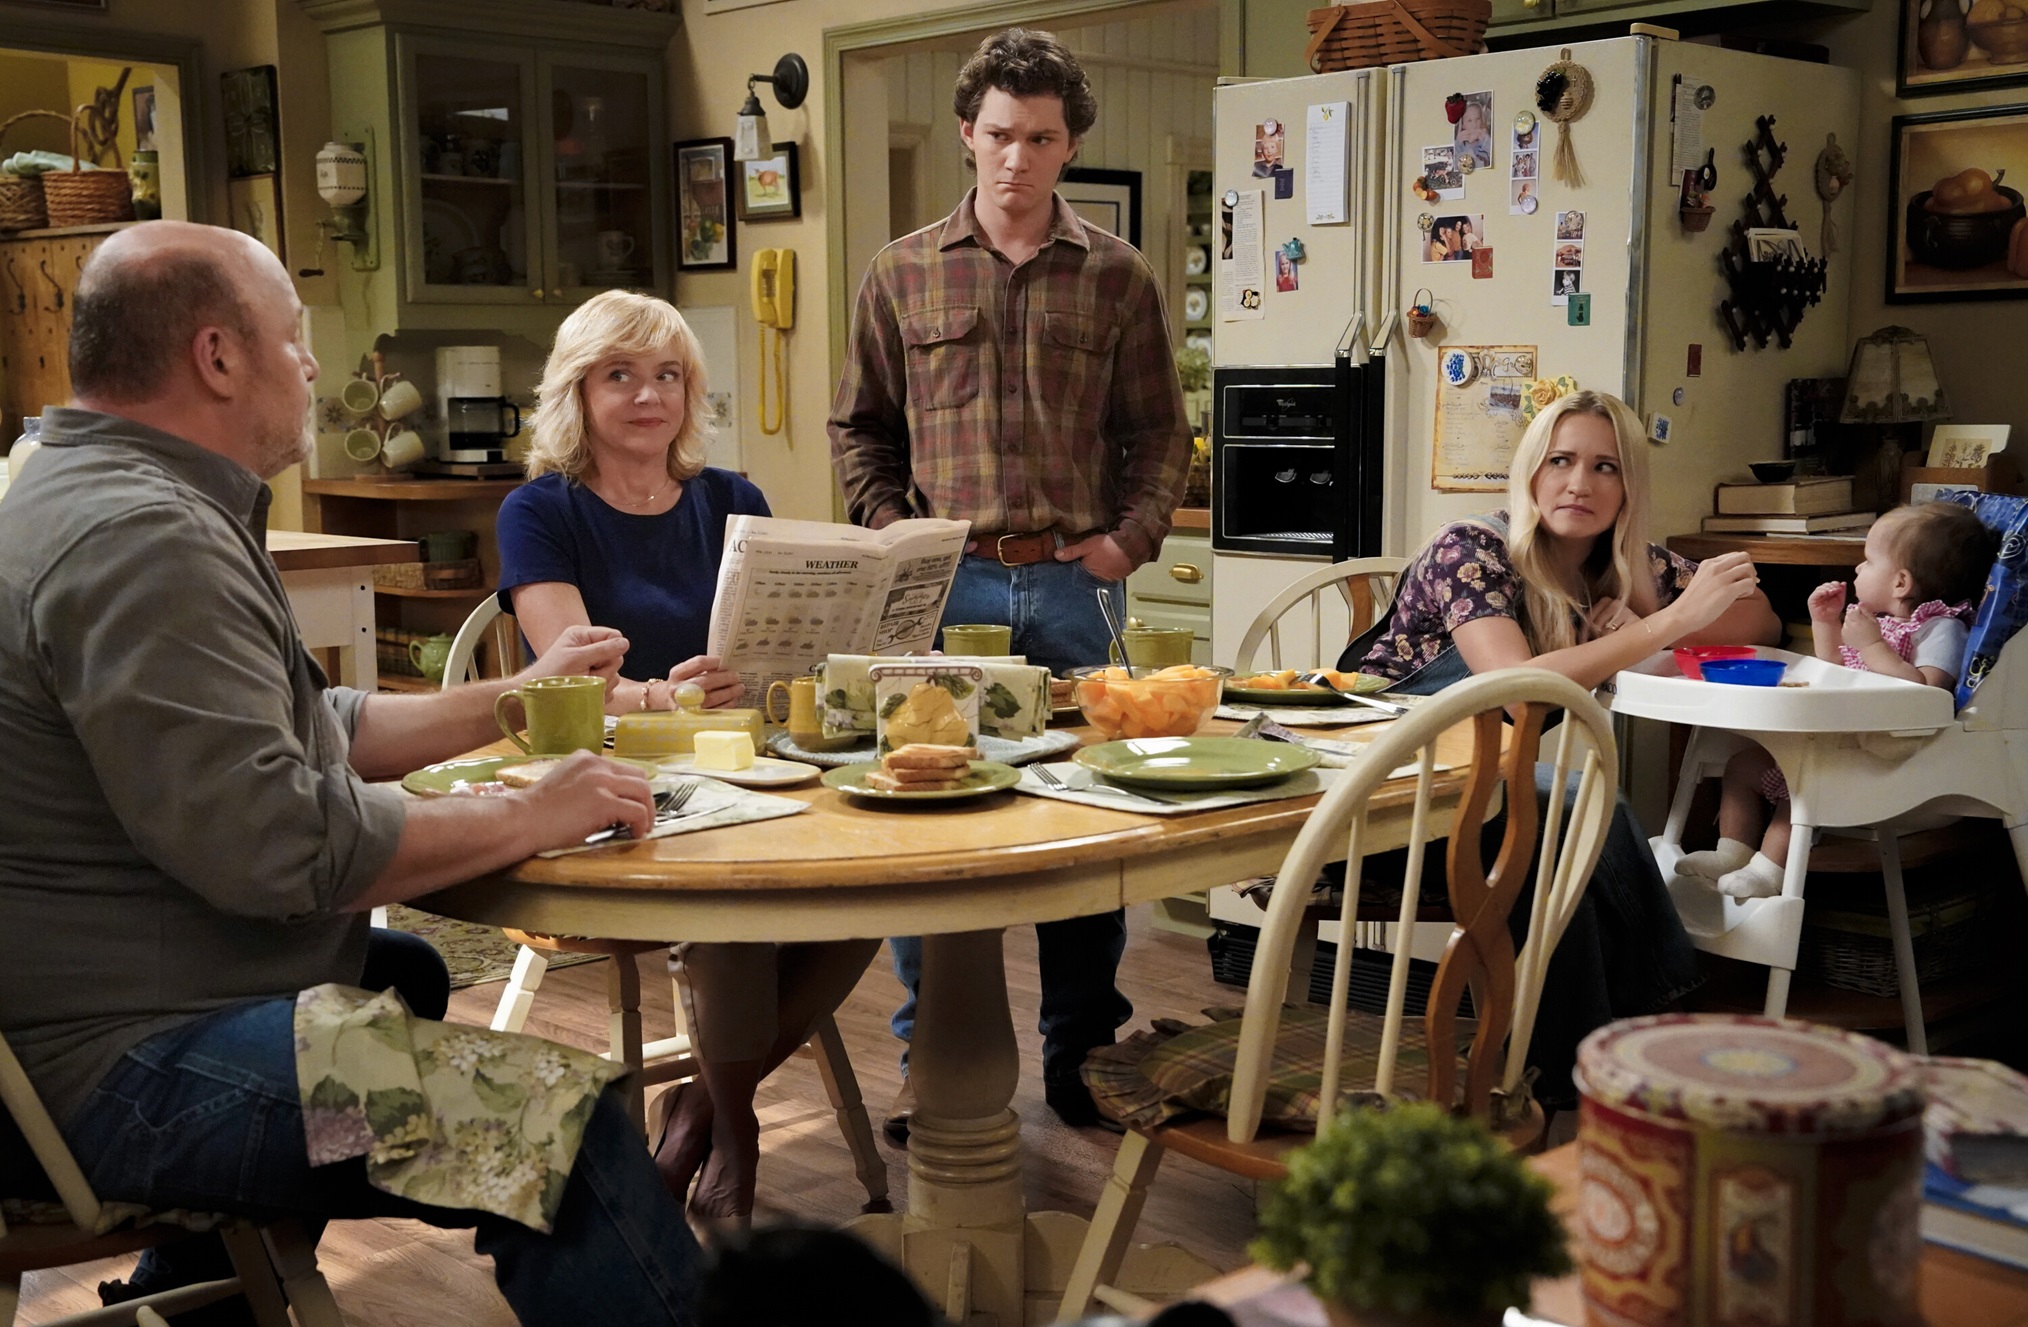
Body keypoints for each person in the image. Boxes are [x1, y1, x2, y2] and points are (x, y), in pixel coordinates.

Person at [0, 221, 704, 1324]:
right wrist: (533, 810)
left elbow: (308, 722)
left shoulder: (92, 491)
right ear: (217, 356)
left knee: (400, 972)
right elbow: (287, 847)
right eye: (294, 338)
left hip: (98, 1015)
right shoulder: (141, 537)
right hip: (110, 1074)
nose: (312, 366)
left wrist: (517, 700)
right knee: (559, 1129)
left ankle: (195, 1309)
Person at [828, 27, 1192, 1138]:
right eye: (999, 135)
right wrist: (892, 533)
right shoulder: (899, 271)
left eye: (1039, 138)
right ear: (965, 135)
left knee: (1087, 827)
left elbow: (1160, 434)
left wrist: (1128, 542)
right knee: (932, 831)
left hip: (1075, 585)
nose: (1016, 158)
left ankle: (1082, 1053)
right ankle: (928, 1062)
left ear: (1068, 144)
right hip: (945, 592)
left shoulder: (1119, 276)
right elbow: (859, 429)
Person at [498, 289, 879, 1220]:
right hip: (613, 777)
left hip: (750, 762)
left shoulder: (733, 499)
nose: (648, 395)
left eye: (668, 375)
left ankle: (704, 1105)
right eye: (620, 375)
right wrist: (662, 695)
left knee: (874, 881)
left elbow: (780, 653)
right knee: (732, 903)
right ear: (577, 391)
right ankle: (736, 1130)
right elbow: (567, 681)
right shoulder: (539, 509)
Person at [1344, 390, 1782, 1106]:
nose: (1580, 483)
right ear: (1531, 471)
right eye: (1561, 461)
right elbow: (1515, 692)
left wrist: (1653, 603)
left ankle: (1568, 1085)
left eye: (1606, 467)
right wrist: (1662, 625)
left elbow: (1760, 621)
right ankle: (1647, 1046)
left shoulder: (1616, 564)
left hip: (1486, 792)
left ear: (1629, 487)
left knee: (1562, 849)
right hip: (1387, 797)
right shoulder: (1471, 549)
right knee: (1574, 812)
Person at [1679, 501, 1996, 899]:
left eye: (1868, 561)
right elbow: (1837, 671)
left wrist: (1873, 646)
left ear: (1901, 583)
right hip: (1838, 740)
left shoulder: (1942, 627)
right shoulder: (1880, 625)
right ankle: (1731, 853)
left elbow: (1928, 694)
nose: (1858, 569)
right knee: (1742, 767)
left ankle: (1768, 871)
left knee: (1804, 785)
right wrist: (1825, 623)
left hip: (1882, 756)